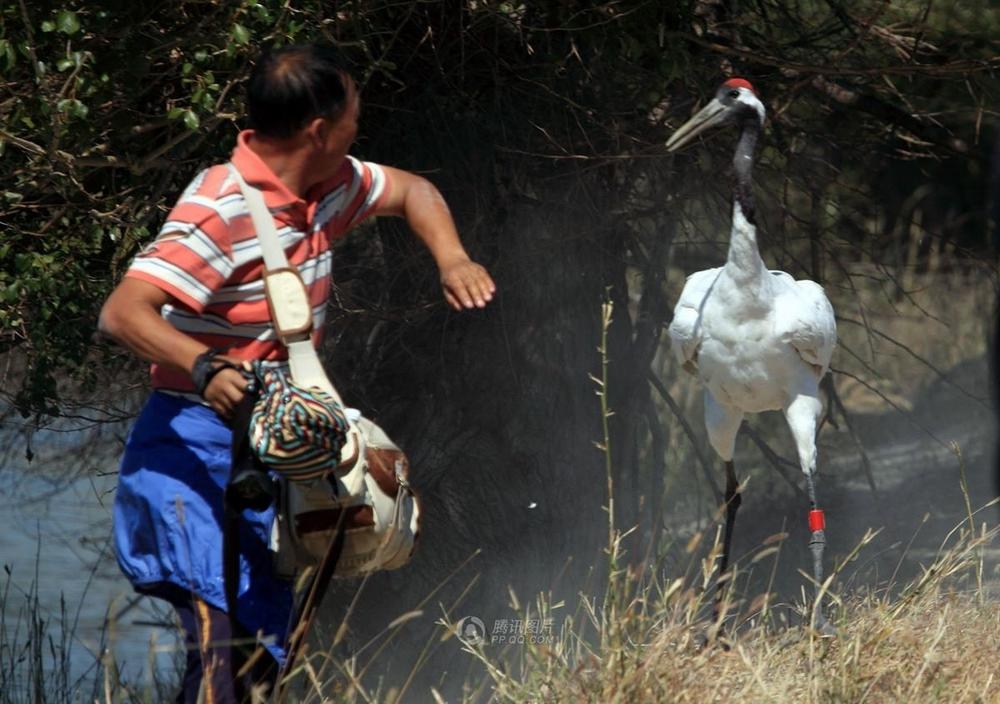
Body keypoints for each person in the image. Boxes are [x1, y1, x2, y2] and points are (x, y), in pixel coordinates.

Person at [99, 42, 495, 703]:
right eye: (353, 118)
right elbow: (122, 311)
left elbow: (413, 190)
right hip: (190, 453)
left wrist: (453, 259)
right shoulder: (220, 206)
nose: (358, 129)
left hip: (272, 452)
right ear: (320, 129)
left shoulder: (329, 186)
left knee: (258, 667)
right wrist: (199, 364)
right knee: (220, 644)